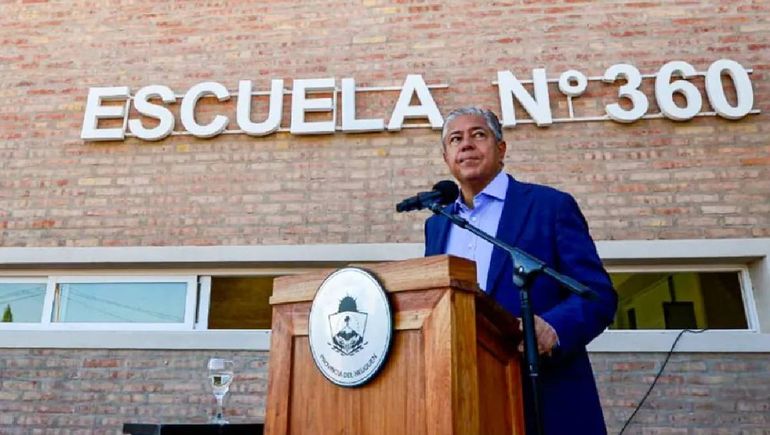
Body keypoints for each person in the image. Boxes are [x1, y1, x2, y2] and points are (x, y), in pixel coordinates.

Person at [424, 107, 618, 435]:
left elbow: (597, 295)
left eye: (478, 134)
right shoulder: (437, 224)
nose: (466, 144)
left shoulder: (549, 206)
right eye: (456, 139)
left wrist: (554, 328)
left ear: (501, 149)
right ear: (447, 158)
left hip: (544, 396)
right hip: (464, 401)